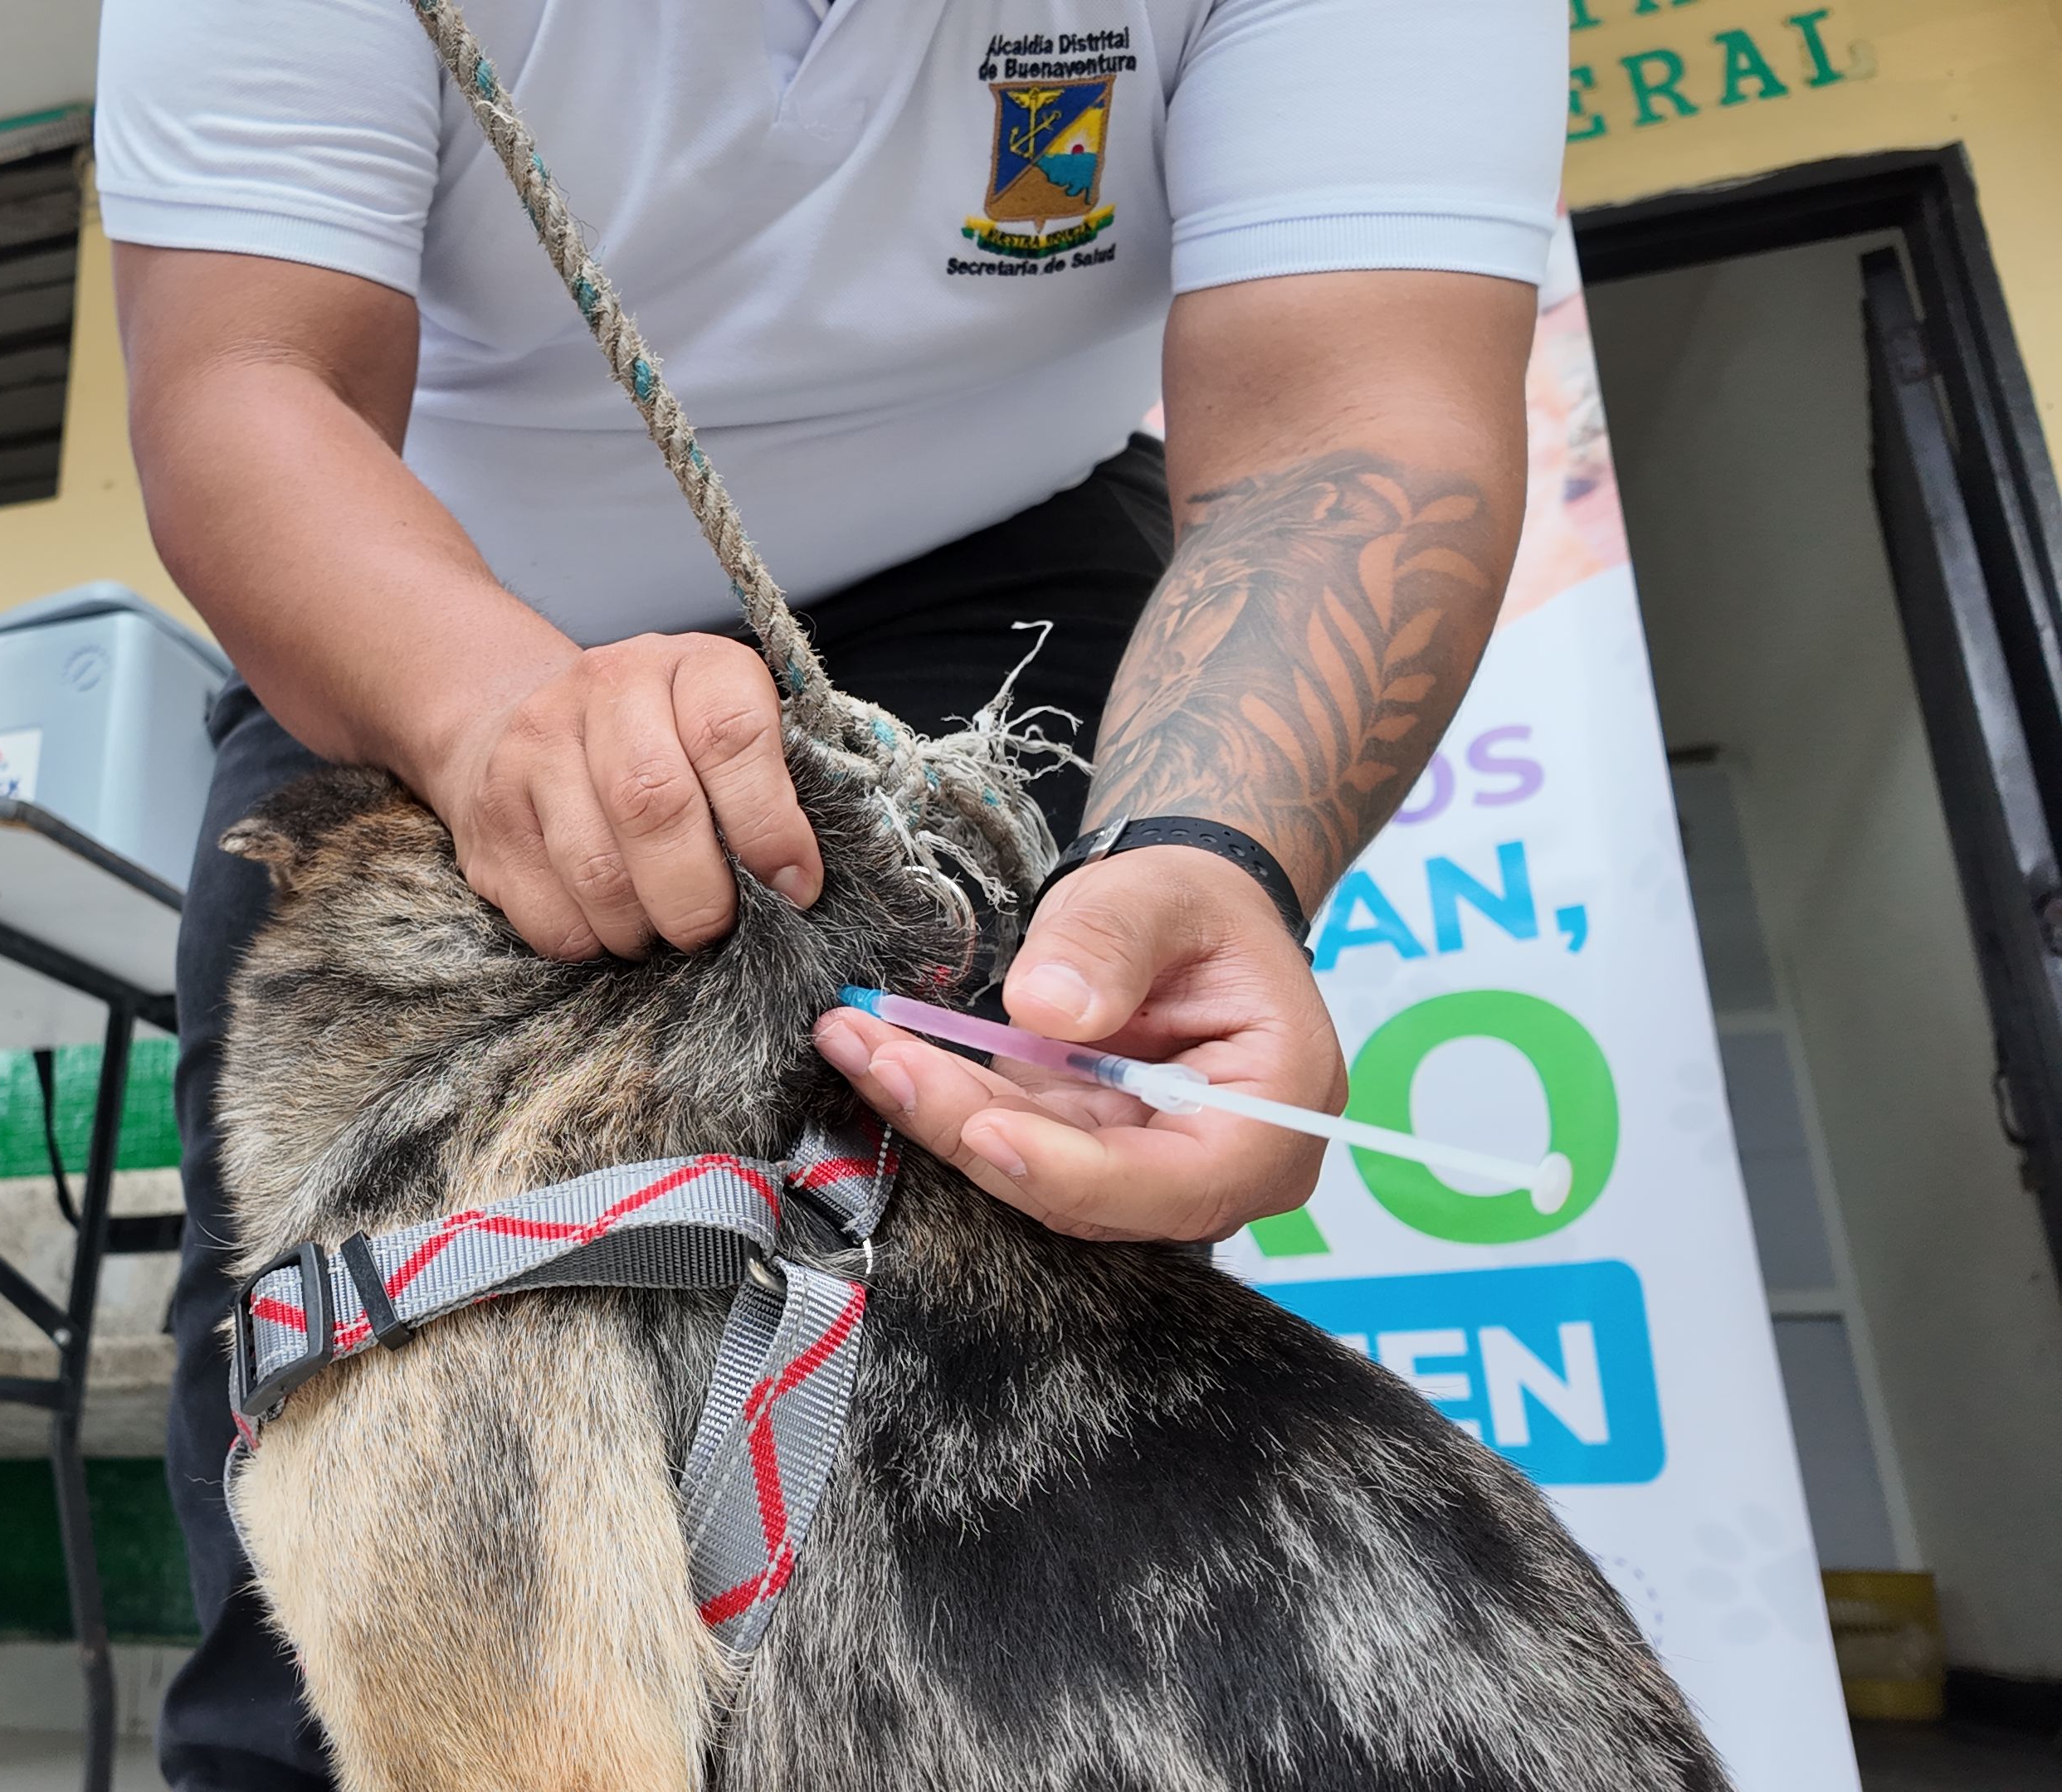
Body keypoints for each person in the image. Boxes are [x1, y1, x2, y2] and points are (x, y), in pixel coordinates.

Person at [94, 0, 1562, 1782]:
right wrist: (489, 716)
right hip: (415, 595)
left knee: (1007, 1306)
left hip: (1001, 557)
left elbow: (1354, 423)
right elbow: (249, 381)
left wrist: (1213, 852)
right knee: (344, 1315)